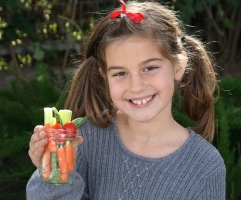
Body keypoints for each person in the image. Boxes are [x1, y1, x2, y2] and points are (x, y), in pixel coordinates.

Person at [26, 0, 226, 199]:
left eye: (149, 68)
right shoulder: (81, 142)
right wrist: (54, 173)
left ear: (178, 66)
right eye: (120, 73)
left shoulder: (204, 165)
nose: (136, 86)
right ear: (104, 76)